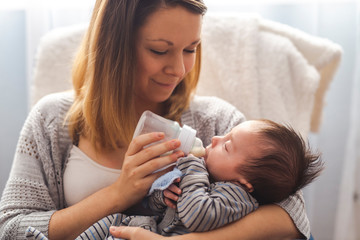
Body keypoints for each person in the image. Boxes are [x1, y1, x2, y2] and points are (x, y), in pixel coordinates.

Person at [0, 0, 310, 239]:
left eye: (191, 49)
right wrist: (118, 194)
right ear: (115, 47)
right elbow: (11, 228)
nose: (178, 69)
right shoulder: (52, 120)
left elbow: (294, 215)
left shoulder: (216, 122)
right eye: (159, 50)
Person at [96, 119, 322, 239]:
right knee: (110, 221)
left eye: (227, 146)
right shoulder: (210, 177)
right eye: (225, 134)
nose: (215, 138)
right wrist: (163, 197)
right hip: (152, 228)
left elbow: (198, 215)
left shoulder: (236, 197)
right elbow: (155, 208)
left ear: (244, 182)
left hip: (157, 235)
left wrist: (192, 166)